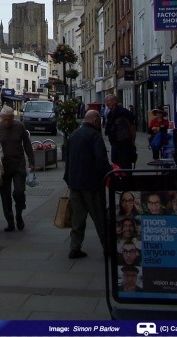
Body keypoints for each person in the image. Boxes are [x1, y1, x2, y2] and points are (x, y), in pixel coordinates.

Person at [63, 109, 111, 259]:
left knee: (78, 217)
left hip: (75, 183)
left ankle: (74, 247)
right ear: (96, 120)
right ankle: (108, 248)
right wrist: (108, 172)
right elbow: (101, 160)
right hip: (92, 184)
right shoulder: (95, 135)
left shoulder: (74, 134)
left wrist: (68, 179)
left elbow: (68, 159)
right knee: (100, 217)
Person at [0, 105, 35, 232]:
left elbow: (27, 144)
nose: (6, 122)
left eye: (9, 119)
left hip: (18, 164)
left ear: (13, 117)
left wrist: (31, 161)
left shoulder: (19, 126)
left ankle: (19, 213)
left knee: (18, 192)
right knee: (5, 196)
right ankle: (10, 221)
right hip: (3, 166)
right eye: (4, 119)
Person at [104, 94, 136, 169]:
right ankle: (119, 179)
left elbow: (132, 126)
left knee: (125, 164)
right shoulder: (109, 114)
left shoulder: (123, 112)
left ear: (115, 101)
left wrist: (133, 141)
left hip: (124, 142)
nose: (107, 103)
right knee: (115, 161)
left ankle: (126, 180)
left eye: (109, 101)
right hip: (115, 143)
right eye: (106, 101)